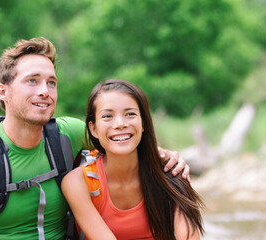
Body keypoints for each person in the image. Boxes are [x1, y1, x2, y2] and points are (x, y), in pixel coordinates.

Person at [0, 37, 190, 240]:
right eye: (32, 81)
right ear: (3, 91)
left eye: (51, 82)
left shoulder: (68, 134)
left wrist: (164, 155)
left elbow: (120, 138)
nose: (44, 91)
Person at [61, 79, 205, 240]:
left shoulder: (170, 170)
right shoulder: (78, 182)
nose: (120, 124)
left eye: (130, 114)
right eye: (107, 116)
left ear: (143, 123)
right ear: (93, 129)